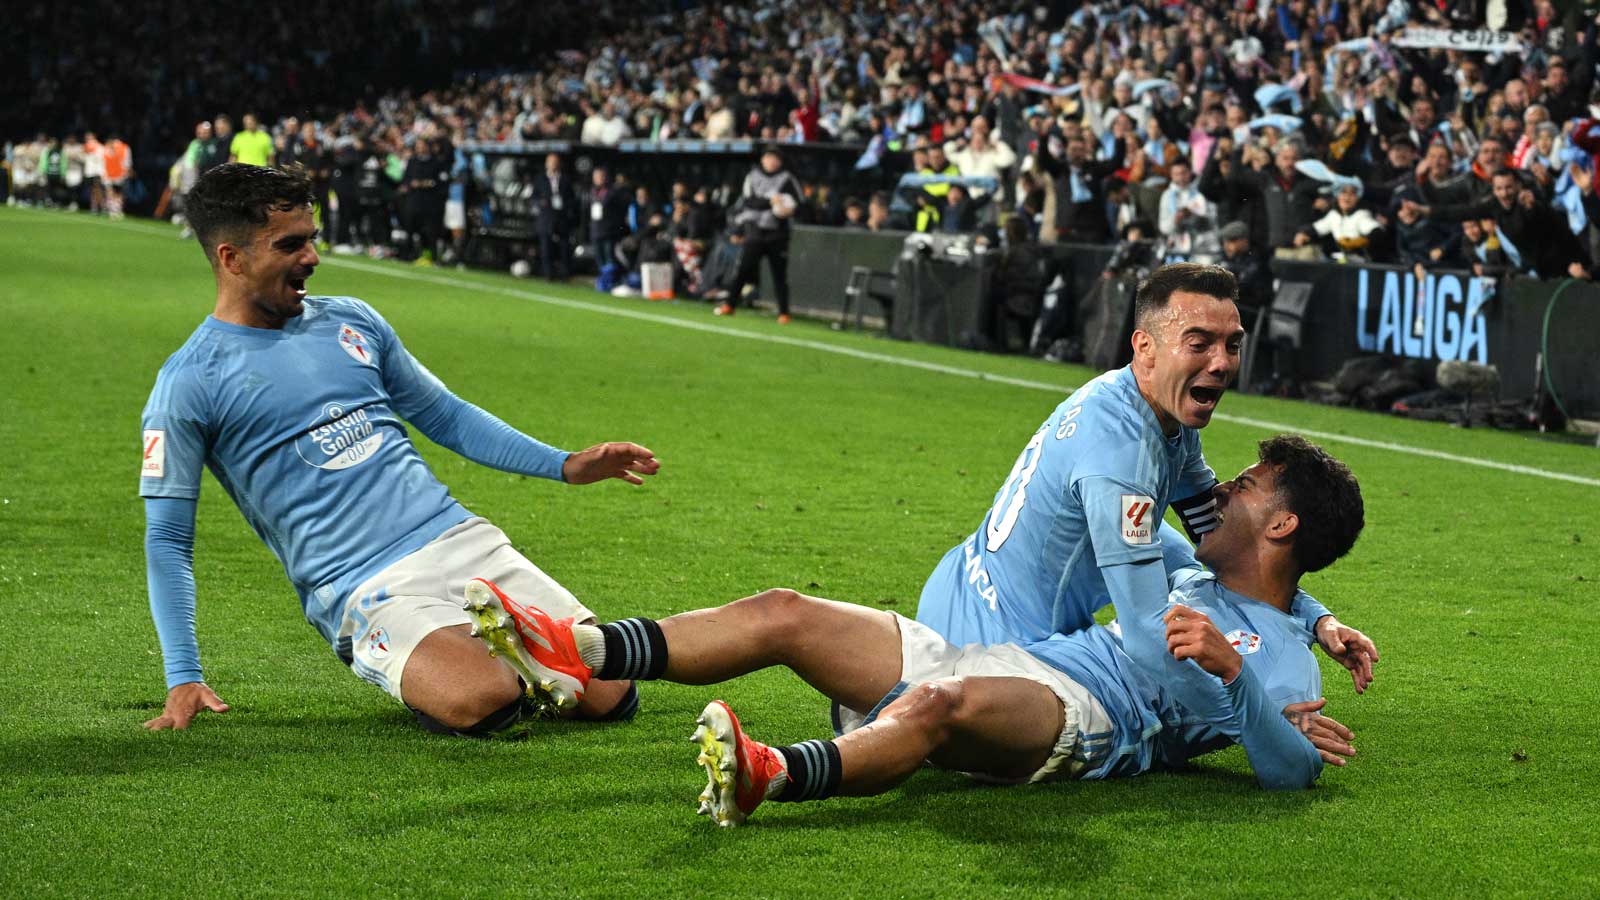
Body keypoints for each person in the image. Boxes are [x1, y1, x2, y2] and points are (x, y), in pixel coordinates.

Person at [461, 434, 1368, 828]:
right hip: (1009, 659)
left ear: (1282, 527)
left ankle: (773, 776)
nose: (1223, 489)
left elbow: (1289, 771)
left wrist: (1241, 677)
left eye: (1248, 485)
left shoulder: (1281, 658)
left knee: (938, 702)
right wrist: (1326, 616)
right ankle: (580, 650)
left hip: (1086, 719)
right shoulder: (1185, 566)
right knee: (788, 611)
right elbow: (1137, 526)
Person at [138, 163, 659, 735]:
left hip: (460, 541)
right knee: (489, 697)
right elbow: (168, 537)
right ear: (230, 258)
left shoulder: (352, 321)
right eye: (289, 245)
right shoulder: (188, 383)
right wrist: (182, 673)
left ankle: (482, 647)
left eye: (312, 239)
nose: (312, 257)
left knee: (610, 691)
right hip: (363, 585)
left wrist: (564, 464)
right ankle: (446, 660)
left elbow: (444, 415)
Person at [721, 146, 803, 323]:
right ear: (763, 159)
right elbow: (749, 201)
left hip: (778, 233)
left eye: (776, 159)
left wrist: (785, 208)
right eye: (769, 157)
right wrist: (770, 201)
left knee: (779, 274)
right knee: (743, 269)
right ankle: (729, 304)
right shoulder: (752, 176)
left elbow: (798, 202)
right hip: (755, 231)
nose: (772, 162)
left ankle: (783, 312)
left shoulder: (787, 179)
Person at [532, 152, 578, 280]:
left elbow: (572, 199)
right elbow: (534, 197)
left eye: (555, 162)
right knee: (546, 247)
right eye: (550, 162)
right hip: (546, 218)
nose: (553, 164)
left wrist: (565, 205)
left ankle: (565, 274)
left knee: (564, 247)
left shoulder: (565, 180)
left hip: (561, 217)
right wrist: (541, 203)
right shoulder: (540, 179)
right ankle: (548, 273)